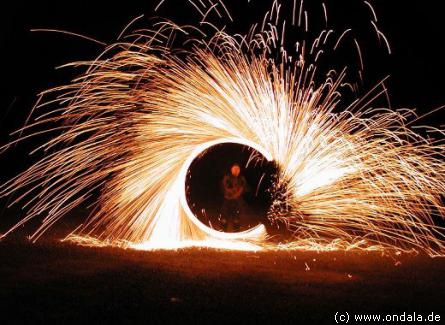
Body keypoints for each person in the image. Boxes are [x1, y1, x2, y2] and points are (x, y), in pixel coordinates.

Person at [220, 164, 247, 231]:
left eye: (237, 169)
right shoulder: (227, 177)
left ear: (239, 171)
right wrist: (233, 192)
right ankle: (223, 231)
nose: (236, 171)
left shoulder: (241, 178)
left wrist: (238, 193)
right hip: (228, 200)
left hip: (237, 201)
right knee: (224, 218)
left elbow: (243, 187)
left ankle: (236, 231)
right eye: (234, 169)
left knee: (236, 218)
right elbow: (226, 187)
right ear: (231, 170)